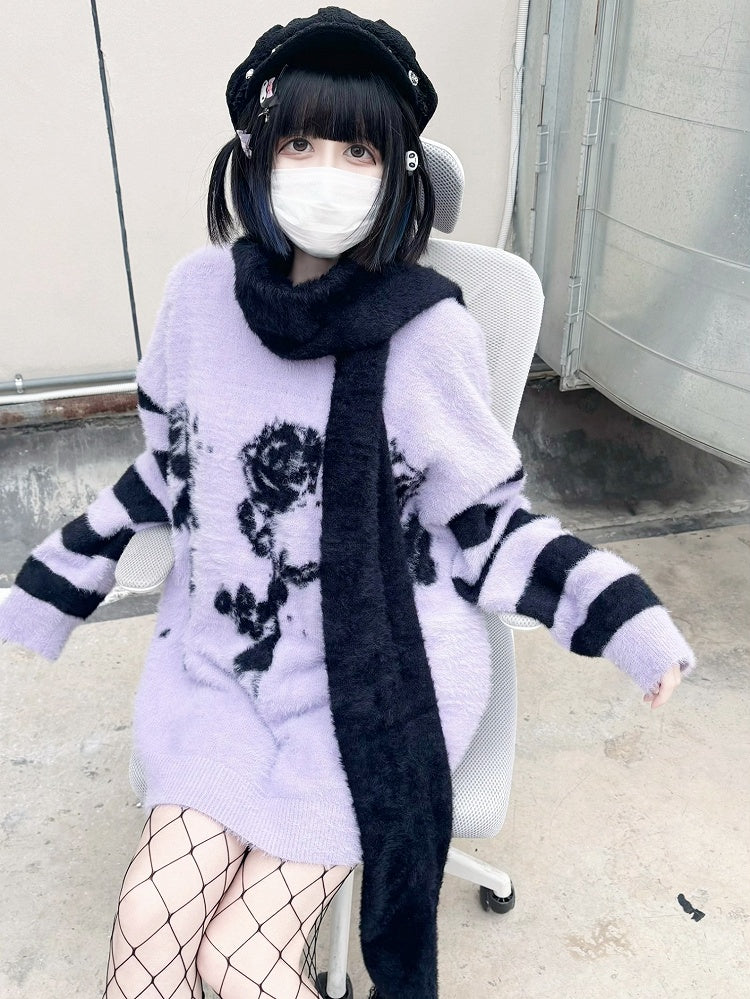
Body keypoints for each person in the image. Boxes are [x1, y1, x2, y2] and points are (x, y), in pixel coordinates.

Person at [0, 7, 694, 999]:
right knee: (149, 924)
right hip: (230, 665)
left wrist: (623, 620)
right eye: (302, 144)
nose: (326, 172)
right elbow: (175, 469)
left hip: (375, 680)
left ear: (397, 173)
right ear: (258, 154)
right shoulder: (198, 298)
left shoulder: (427, 335)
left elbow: (486, 524)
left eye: (357, 151)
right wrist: (57, 580)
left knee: (240, 960)